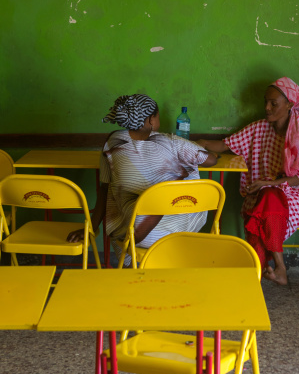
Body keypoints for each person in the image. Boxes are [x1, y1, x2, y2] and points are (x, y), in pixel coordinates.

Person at [67, 93, 218, 265]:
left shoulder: (112, 143)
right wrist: (205, 149)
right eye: (157, 116)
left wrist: (91, 228)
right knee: (183, 180)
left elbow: (104, 188)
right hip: (177, 233)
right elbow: (211, 160)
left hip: (131, 234)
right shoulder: (171, 141)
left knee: (130, 197)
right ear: (151, 121)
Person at [198, 77, 299, 286]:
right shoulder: (258, 129)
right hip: (265, 195)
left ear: (290, 105)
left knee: (265, 203)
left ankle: (256, 275)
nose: (267, 107)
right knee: (265, 202)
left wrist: (268, 184)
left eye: (274, 103)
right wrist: (192, 144)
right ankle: (274, 270)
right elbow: (224, 145)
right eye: (266, 101)